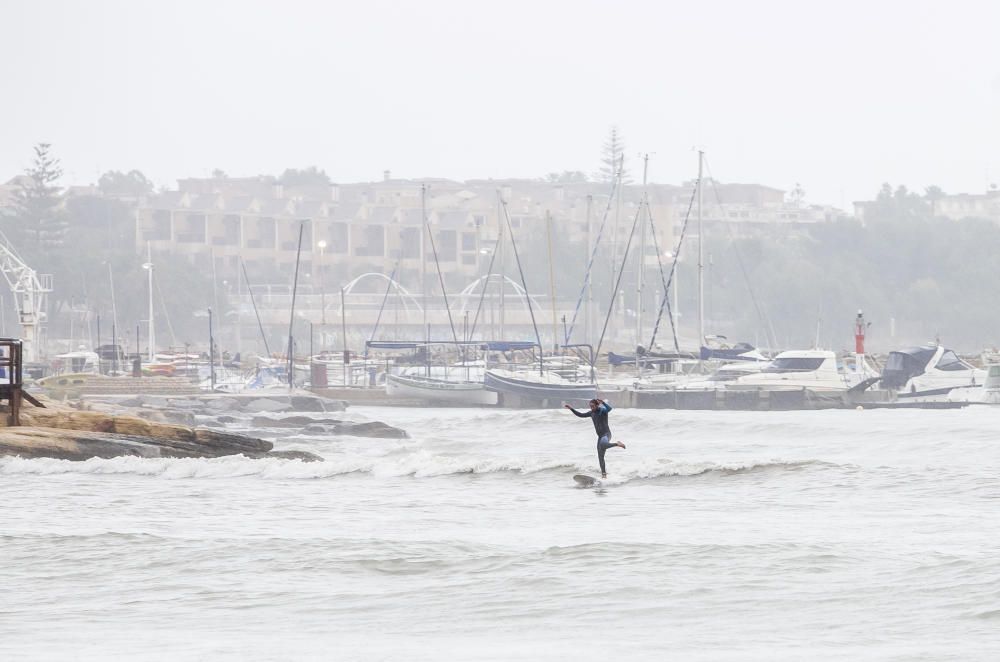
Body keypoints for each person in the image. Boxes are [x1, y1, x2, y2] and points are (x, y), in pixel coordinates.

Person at [564, 398, 626, 479]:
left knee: (603, 444)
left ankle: (617, 443)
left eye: (593, 406)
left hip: (606, 434)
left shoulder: (602, 411)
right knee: (600, 457)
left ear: (597, 405)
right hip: (600, 437)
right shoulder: (591, 413)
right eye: (590, 406)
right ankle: (604, 475)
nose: (591, 408)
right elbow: (581, 415)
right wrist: (571, 409)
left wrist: (603, 402)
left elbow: (609, 409)